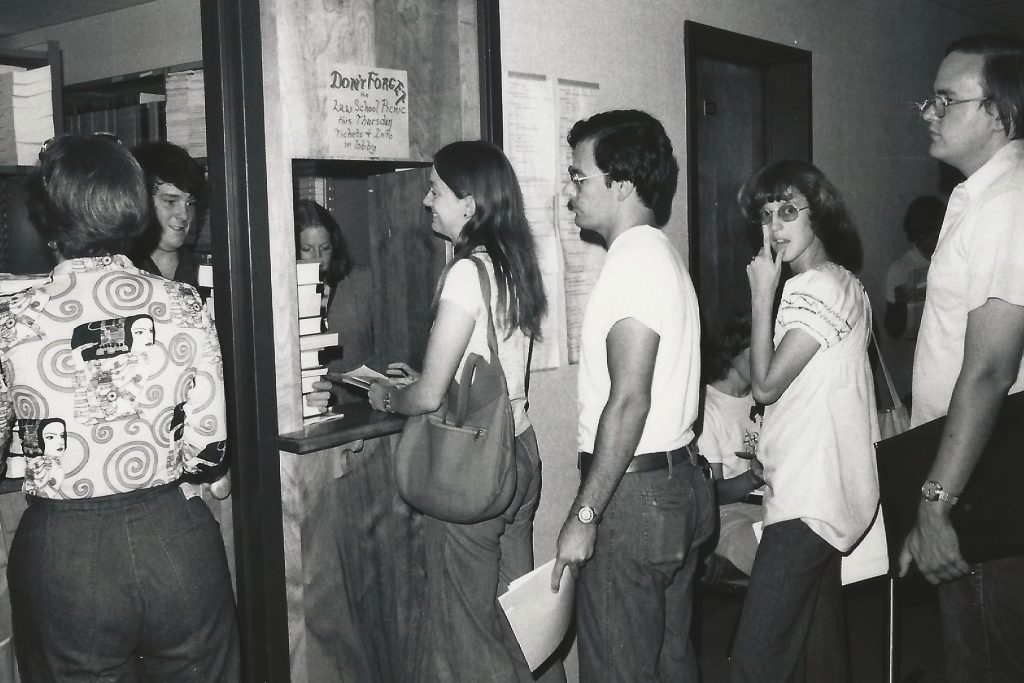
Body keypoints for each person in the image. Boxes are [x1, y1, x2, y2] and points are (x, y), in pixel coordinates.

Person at [0, 134, 239, 680]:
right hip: (175, 540)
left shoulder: (12, 319)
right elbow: (209, 453)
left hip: (65, 553)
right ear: (134, 208)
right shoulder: (183, 304)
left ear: (46, 215)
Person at [365, 140, 562, 682]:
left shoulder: (465, 273)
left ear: (470, 203)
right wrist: (429, 379)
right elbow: (477, 371)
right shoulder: (513, 265)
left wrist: (388, 395)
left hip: (475, 469)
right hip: (519, 452)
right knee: (520, 621)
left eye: (437, 191)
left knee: (468, 636)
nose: (428, 201)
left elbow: (427, 399)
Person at [549, 109, 713, 682]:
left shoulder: (635, 265)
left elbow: (629, 401)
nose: (570, 192)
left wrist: (584, 514)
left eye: (578, 177)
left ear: (620, 184)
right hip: (675, 483)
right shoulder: (659, 255)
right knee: (670, 661)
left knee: (618, 668)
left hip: (635, 496)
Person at [898, 34, 1024, 682]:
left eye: (946, 99)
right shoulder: (976, 197)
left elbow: (990, 369)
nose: (928, 110)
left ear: (1000, 113)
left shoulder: (1007, 204)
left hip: (985, 478)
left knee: (983, 659)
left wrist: (935, 502)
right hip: (970, 468)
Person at [729, 160, 879, 683]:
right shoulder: (844, 282)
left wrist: (761, 294)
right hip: (825, 492)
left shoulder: (811, 288)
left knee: (753, 661)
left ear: (820, 215)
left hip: (808, 497)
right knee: (821, 658)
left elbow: (765, 385)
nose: (775, 226)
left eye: (789, 211)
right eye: (767, 214)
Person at [697, 316, 763, 580]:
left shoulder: (763, 397)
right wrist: (755, 476)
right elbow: (713, 494)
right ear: (733, 352)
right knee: (778, 557)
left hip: (771, 504)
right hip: (727, 515)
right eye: (758, 348)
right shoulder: (706, 408)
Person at [294, 199, 375, 403]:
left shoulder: (363, 280)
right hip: (311, 403)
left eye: (325, 247)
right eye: (307, 249)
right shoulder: (280, 294)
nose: (318, 257)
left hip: (362, 404)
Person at [882, 195, 945, 400]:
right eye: (921, 236)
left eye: (933, 235)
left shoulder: (950, 258)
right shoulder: (901, 268)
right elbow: (892, 330)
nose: (927, 242)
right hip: (916, 361)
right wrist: (901, 303)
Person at [131, 140, 206, 287]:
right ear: (140, 202)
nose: (184, 215)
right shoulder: (121, 273)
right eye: (171, 202)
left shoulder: (204, 273)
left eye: (190, 203)